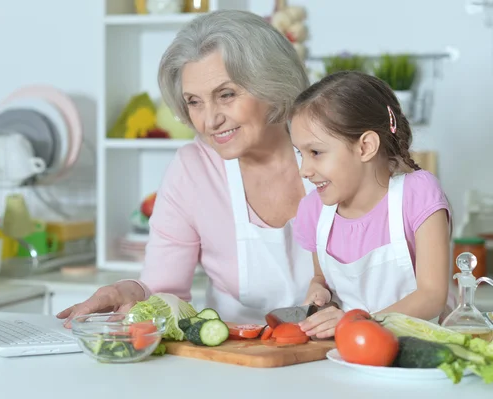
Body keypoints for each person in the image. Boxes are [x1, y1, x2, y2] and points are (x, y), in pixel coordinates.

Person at [56, 9, 316, 327]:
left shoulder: (332, 151)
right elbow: (165, 291)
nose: (209, 120)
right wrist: (130, 291)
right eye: (194, 101)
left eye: (226, 94)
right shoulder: (194, 169)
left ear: (272, 85)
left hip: (343, 354)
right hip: (236, 360)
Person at [290, 71, 452, 339]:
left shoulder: (418, 193)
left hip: (421, 352)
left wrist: (360, 324)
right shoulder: (314, 211)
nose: (304, 170)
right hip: (349, 352)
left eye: (315, 152)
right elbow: (321, 278)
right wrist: (318, 292)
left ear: (365, 146)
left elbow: (432, 296)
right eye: (300, 153)